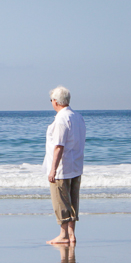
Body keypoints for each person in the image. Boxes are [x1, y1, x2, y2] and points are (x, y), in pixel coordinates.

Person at [43, 86, 86, 245]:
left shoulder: (61, 119)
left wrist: (52, 169)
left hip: (63, 167)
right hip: (76, 165)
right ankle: (71, 234)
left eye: (51, 100)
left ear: (56, 101)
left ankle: (64, 234)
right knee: (72, 201)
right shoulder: (77, 117)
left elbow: (59, 145)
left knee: (61, 201)